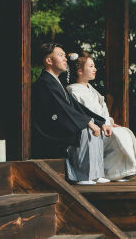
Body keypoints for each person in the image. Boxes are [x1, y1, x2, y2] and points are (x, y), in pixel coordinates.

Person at [31, 43, 110, 185]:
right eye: (60, 55)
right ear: (49, 61)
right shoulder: (45, 82)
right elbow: (63, 109)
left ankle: (95, 173)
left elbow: (76, 106)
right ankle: (81, 175)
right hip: (50, 128)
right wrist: (88, 122)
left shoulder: (56, 82)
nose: (65, 58)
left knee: (94, 125)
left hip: (60, 122)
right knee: (85, 128)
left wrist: (100, 122)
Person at [67, 52, 136, 180]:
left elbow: (102, 109)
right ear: (79, 71)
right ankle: (111, 173)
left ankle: (120, 172)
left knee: (124, 132)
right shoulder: (73, 90)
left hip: (103, 125)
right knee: (118, 136)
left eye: (94, 66)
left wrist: (109, 122)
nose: (95, 69)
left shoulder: (91, 89)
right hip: (91, 126)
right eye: (91, 66)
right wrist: (102, 124)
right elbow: (85, 112)